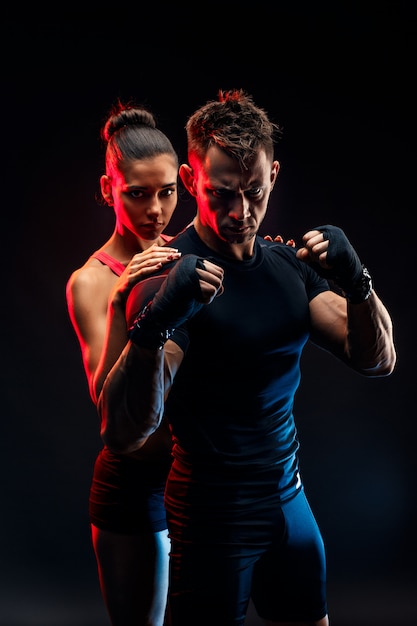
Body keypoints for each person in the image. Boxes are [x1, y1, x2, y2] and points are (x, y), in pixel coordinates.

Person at [97, 90, 397, 626]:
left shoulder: (289, 266)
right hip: (211, 519)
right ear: (191, 182)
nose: (240, 213)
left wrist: (359, 283)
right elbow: (125, 433)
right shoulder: (170, 277)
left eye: (254, 192)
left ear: (273, 175)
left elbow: (377, 358)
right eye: (221, 194)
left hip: (290, 505)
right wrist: (152, 327)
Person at [65, 100, 182, 626]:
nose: (155, 211)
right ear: (110, 189)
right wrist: (123, 298)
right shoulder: (91, 279)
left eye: (167, 192)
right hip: (135, 487)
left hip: (202, 480)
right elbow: (109, 406)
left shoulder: (188, 255)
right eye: (137, 194)